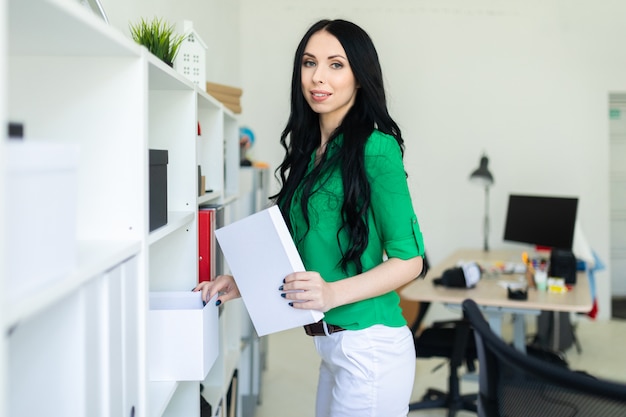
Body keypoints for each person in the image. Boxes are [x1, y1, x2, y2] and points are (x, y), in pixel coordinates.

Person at [194, 18, 425, 417]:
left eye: (336, 64)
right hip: (332, 346)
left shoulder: (377, 149)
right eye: (308, 62)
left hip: (370, 348)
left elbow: (410, 261)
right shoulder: (310, 153)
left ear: (359, 76)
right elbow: (304, 253)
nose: (318, 77)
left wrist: (333, 294)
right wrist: (244, 282)